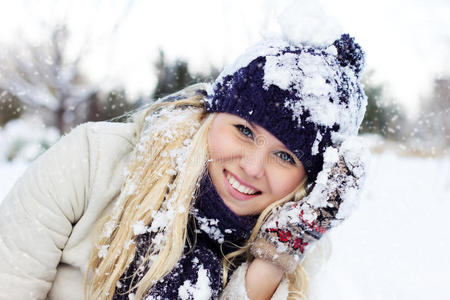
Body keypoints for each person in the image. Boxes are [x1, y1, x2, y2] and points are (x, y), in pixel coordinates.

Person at [0, 33, 368, 300]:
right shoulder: (93, 161)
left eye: (285, 156)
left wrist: (272, 260)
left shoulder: (297, 252)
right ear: (212, 113)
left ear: (310, 179)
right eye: (243, 131)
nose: (253, 167)